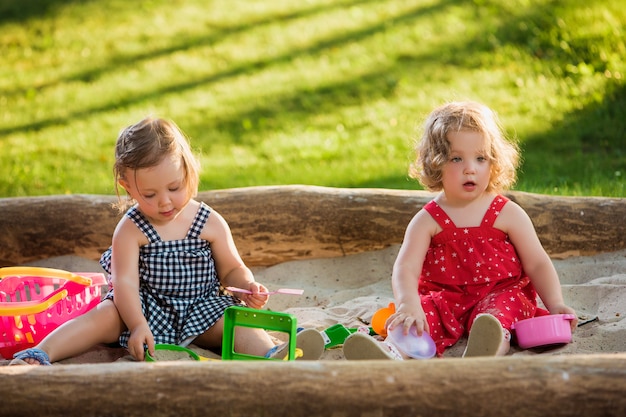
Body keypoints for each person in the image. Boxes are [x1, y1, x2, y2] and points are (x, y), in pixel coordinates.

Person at [11, 116, 324, 365]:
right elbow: (125, 285)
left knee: (237, 323)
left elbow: (231, 270)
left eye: (174, 188)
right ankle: (40, 354)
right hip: (144, 307)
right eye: (149, 194)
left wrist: (248, 286)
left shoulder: (209, 222)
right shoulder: (131, 229)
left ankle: (271, 356)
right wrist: (135, 324)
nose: (164, 202)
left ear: (188, 171)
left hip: (203, 310)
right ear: (128, 187)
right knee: (101, 316)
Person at [343, 101, 577, 359]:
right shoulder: (428, 220)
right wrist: (408, 303)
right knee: (417, 317)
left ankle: (486, 349)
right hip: (446, 299)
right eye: (457, 158)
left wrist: (555, 303)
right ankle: (392, 351)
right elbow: (405, 268)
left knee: (497, 317)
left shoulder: (507, 213)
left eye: (480, 158)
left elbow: (537, 262)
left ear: (494, 162)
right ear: (435, 164)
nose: (470, 168)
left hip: (498, 293)